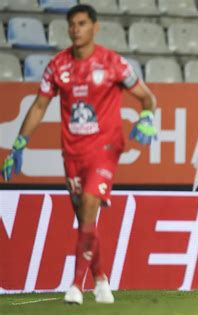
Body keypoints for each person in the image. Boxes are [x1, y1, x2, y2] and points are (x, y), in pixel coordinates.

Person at [1, 4, 158, 304]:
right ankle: (100, 280)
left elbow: (147, 98)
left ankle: (75, 284)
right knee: (85, 217)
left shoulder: (113, 63)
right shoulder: (58, 66)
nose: (76, 29)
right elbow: (38, 106)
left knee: (89, 202)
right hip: (72, 153)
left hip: (105, 148)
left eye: (82, 23)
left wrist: (147, 118)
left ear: (95, 27)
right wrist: (18, 145)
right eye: (72, 24)